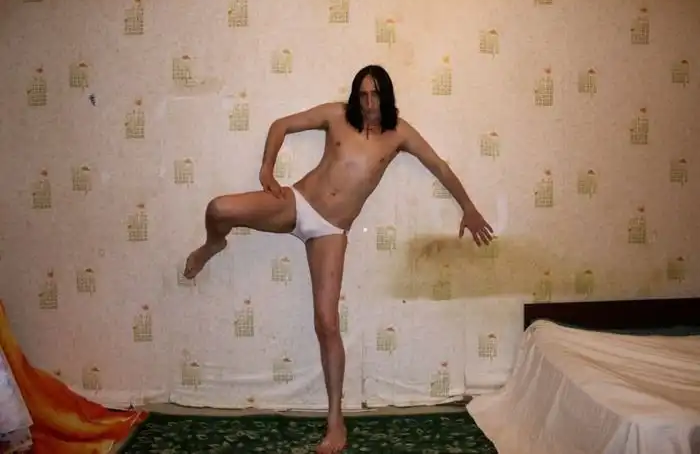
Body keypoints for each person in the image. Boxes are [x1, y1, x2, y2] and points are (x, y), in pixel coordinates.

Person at [183, 64, 493, 454]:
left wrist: (469, 208)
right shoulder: (336, 115)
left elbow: (440, 167)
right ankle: (214, 245)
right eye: (362, 95)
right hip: (296, 203)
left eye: (375, 95)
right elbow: (281, 124)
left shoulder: (400, 134)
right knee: (218, 209)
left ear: (386, 96)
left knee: (326, 322)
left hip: (331, 231)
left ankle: (336, 422)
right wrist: (267, 168)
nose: (368, 103)